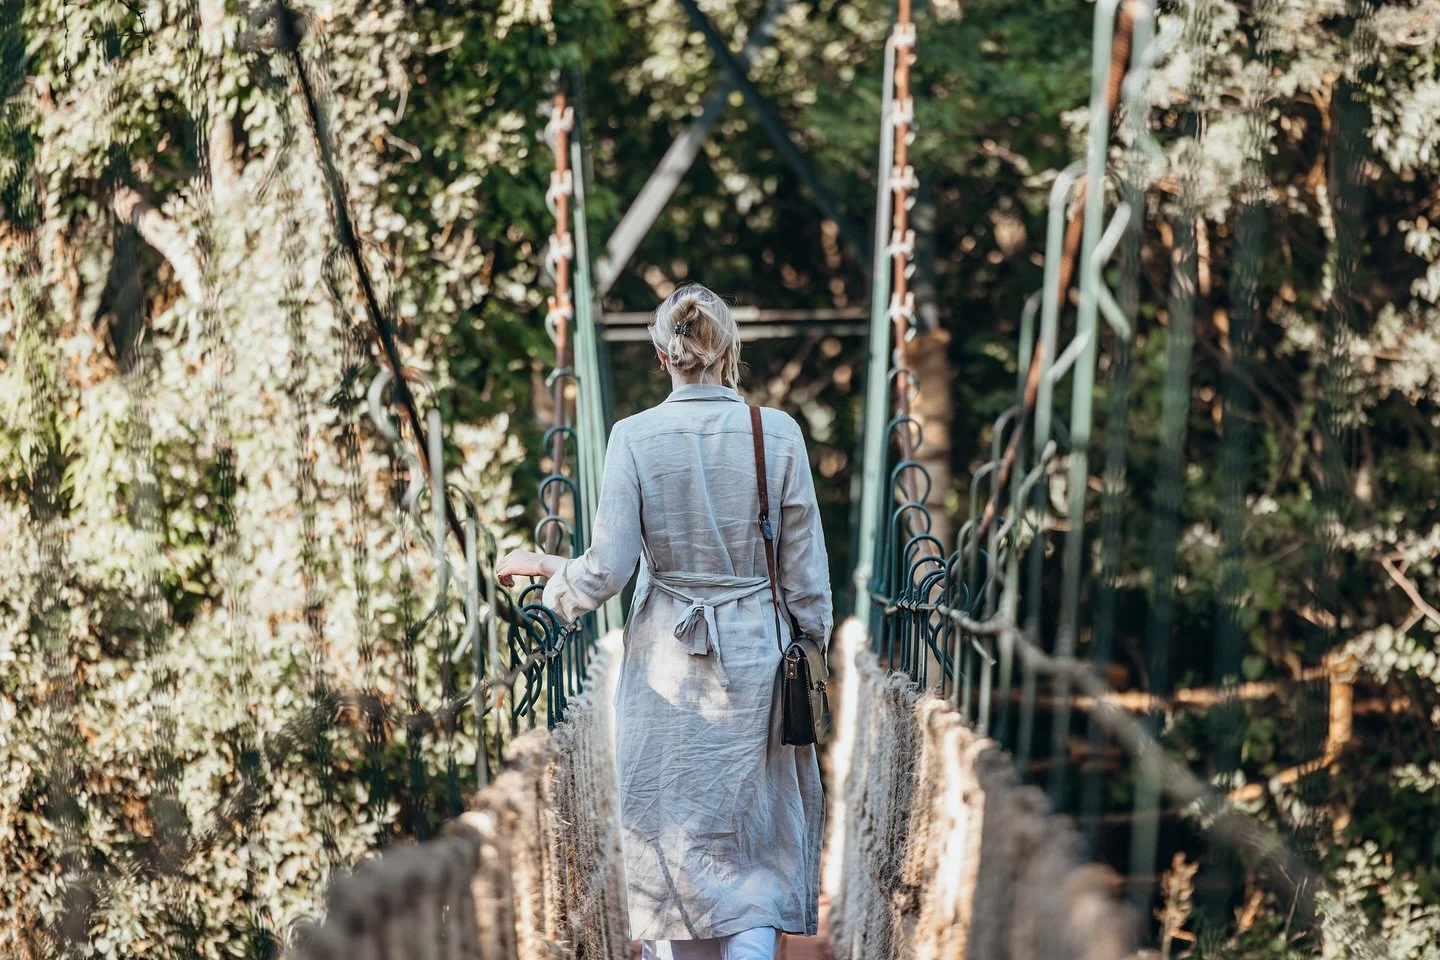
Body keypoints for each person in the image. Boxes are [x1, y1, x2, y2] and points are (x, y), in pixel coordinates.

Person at [497, 283, 832, 960]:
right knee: (754, 857)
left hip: (665, 671)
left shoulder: (633, 437)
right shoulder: (781, 435)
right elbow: (809, 582)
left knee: (670, 857)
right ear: (729, 349)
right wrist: (812, 657)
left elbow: (609, 570)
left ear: (661, 353)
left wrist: (549, 588)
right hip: (758, 663)